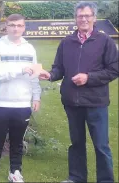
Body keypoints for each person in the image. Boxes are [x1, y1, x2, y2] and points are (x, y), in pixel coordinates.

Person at [38, 2, 118, 183]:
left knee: (101, 145)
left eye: (87, 16)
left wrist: (89, 78)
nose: (83, 19)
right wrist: (50, 75)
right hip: (72, 101)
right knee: (76, 143)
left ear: (94, 18)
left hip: (96, 102)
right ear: (76, 19)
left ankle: (105, 180)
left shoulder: (104, 41)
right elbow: (59, 68)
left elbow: (114, 69)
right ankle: (76, 177)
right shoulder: (67, 42)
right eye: (80, 16)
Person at [0, 14, 42, 183]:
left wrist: (36, 96)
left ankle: (15, 171)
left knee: (17, 142)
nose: (16, 28)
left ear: (24, 27)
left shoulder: (29, 49)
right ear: (6, 27)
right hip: (1, 102)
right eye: (12, 25)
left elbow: (34, 74)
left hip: (22, 103)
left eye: (19, 25)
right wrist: (21, 70)